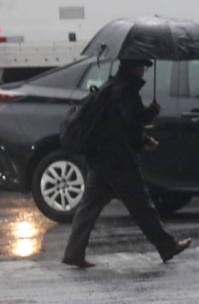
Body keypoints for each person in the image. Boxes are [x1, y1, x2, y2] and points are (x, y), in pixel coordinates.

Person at [62, 59, 191, 268]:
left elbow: (117, 125)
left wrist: (144, 140)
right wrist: (152, 112)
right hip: (117, 159)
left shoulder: (112, 85)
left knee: (90, 206)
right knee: (141, 205)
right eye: (143, 66)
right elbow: (131, 121)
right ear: (135, 67)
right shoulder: (126, 90)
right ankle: (167, 246)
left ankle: (73, 252)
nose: (144, 71)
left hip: (100, 156)